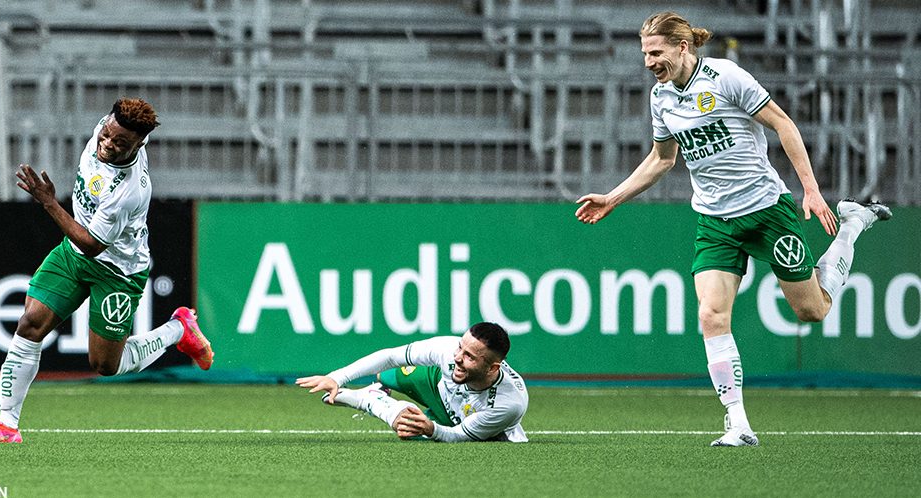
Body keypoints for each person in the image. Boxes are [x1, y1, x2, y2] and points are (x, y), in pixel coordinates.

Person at [574, 12, 891, 447]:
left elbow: (784, 124)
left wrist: (811, 190)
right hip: (714, 221)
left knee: (811, 310)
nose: (648, 61)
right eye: (644, 53)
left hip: (766, 211)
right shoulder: (661, 97)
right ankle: (738, 423)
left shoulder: (725, 77)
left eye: (655, 52)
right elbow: (663, 159)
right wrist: (613, 197)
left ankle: (852, 225)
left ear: (682, 47)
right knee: (710, 314)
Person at [0, 98, 214, 444]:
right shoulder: (109, 127)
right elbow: (82, 244)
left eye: (120, 143)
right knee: (30, 323)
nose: (108, 145)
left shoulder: (127, 192)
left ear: (139, 145)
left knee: (105, 365)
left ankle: (177, 329)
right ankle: (6, 427)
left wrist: (49, 202)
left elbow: (93, 244)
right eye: (106, 135)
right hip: (73, 254)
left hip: (117, 270)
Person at [296, 322, 528, 442]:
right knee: (385, 374)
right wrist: (336, 377)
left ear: (492, 368)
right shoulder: (449, 352)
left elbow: (458, 435)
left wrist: (431, 429)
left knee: (406, 428)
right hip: (440, 384)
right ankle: (378, 387)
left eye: (469, 356)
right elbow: (389, 356)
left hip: (458, 420)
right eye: (460, 347)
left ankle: (368, 399)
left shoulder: (508, 404)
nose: (458, 357)